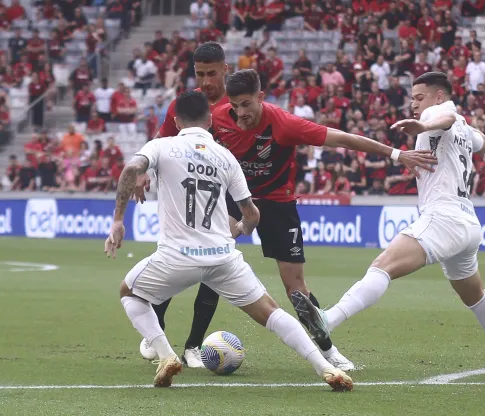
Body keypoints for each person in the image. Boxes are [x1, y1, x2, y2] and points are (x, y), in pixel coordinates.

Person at [164, 68, 436, 371]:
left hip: (278, 204)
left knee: (295, 288)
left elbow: (343, 139)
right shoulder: (218, 118)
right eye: (235, 105)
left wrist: (396, 155)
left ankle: (328, 351)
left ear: (261, 98)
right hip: (235, 199)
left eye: (247, 105)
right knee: (214, 259)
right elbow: (180, 131)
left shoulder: (282, 123)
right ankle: (184, 343)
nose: (240, 113)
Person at [104, 91, 353, 391]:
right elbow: (252, 214)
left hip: (177, 257)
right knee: (272, 313)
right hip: (222, 257)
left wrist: (118, 220)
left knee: (129, 293)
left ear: (176, 120)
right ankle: (325, 366)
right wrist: (242, 227)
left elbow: (131, 169)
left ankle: (166, 354)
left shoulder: (161, 145)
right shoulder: (226, 157)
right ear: (210, 121)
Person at [292, 72, 485, 373]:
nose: (414, 104)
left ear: (439, 96)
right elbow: (481, 140)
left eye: (419, 97)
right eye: (412, 99)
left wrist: (425, 124)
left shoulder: (437, 114)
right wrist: (455, 127)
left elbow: (445, 118)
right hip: (467, 222)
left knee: (382, 265)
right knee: (475, 295)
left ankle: (329, 319)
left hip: (443, 216)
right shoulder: (464, 125)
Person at [133, 42, 233, 369]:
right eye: (200, 74)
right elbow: (162, 143)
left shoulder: (237, 105)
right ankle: (155, 332)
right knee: (176, 262)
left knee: (215, 266)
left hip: (224, 195)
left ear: (224, 69)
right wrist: (142, 172)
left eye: (212, 73)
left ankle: (193, 346)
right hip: (186, 195)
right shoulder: (185, 105)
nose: (205, 81)